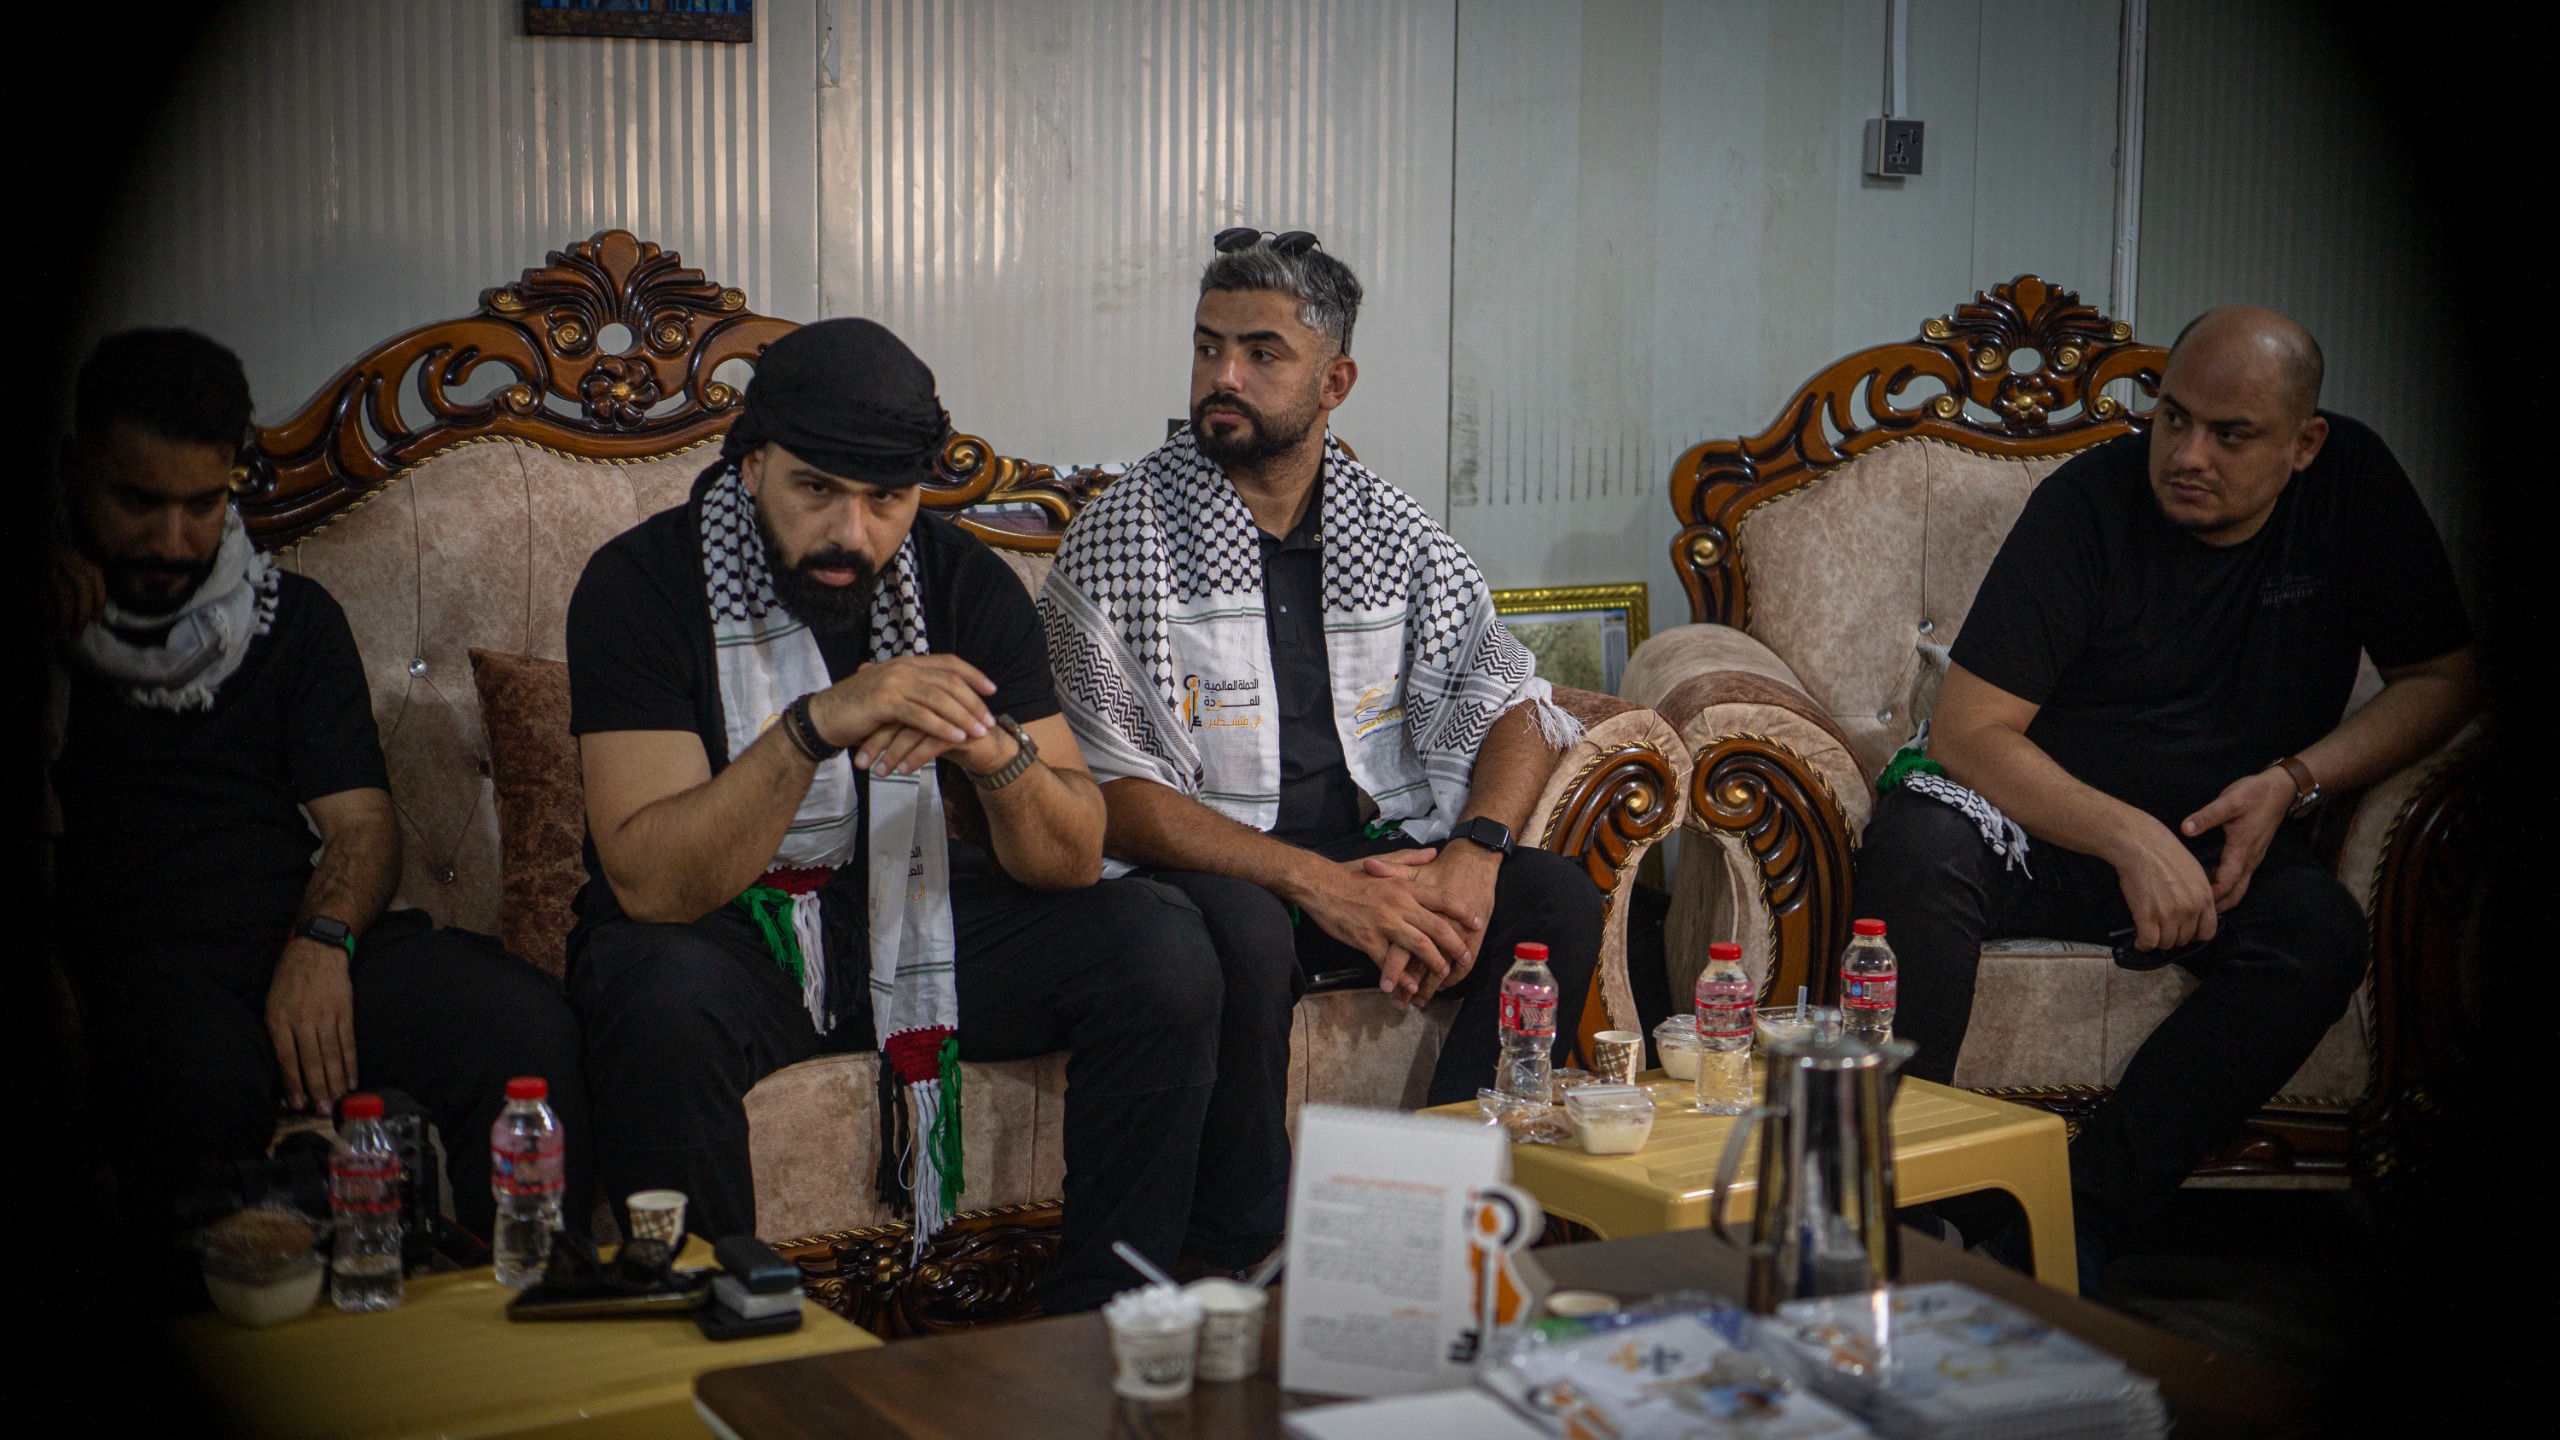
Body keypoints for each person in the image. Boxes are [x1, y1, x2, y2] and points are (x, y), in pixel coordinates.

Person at [565, 318, 1255, 1311]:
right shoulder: (641, 584)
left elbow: (1073, 856)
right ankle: (719, 1329)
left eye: (885, 499)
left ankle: (1103, 1320)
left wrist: (993, 753)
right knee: (653, 991)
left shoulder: (961, 581)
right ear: (752, 466)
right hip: (729, 935)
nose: (852, 534)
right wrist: (814, 726)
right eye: (816, 490)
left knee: (1159, 946)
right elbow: (650, 883)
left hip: (913, 904)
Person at [1853, 306, 2478, 1289]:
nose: (2187, 456)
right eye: (2174, 418)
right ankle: (1894, 1211)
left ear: (2304, 444)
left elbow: (2442, 676)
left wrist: (2294, 780)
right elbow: (1971, 734)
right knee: (1915, 852)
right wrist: (2127, 837)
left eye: (2231, 435)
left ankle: (2072, 1226)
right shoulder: (2086, 504)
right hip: (2036, 819)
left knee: (2318, 938)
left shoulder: (2354, 488)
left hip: (2222, 832)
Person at [1040, 227, 1606, 1153]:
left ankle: (1445, 1186)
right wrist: (1320, 886)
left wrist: (1474, 853)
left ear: (1334, 382)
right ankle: (1247, 1225)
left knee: (1555, 899)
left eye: (1262, 353)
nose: (1222, 376)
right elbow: (1108, 792)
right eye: (1208, 347)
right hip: (1221, 873)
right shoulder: (1120, 537)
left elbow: (1517, 705)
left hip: (1378, 856)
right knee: (1247, 930)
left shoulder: (1396, 532)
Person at [43, 328, 591, 1249]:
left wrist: (322, 941)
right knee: (194, 1088)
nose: (172, 542)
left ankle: (527, 1300)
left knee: (522, 1026)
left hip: (298, 932)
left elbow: (362, 825)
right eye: (138, 503)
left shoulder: (289, 620)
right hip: (149, 971)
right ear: (74, 471)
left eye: (202, 504)